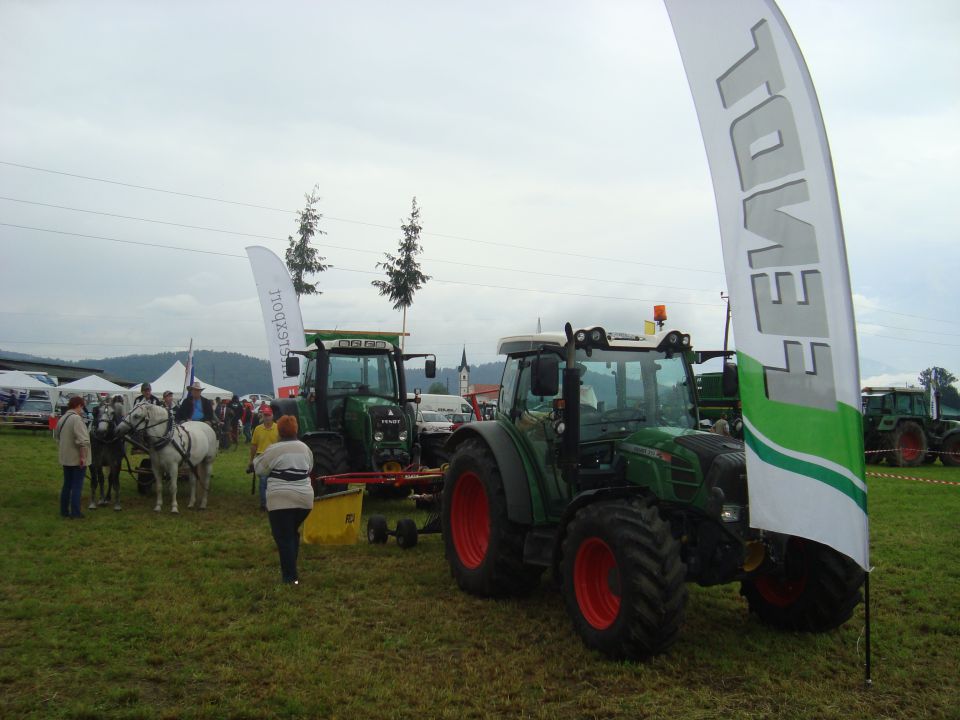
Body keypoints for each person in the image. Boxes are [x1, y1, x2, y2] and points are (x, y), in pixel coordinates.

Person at [253, 415, 314, 585]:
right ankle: (291, 569)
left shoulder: (274, 449)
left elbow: (260, 470)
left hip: (281, 500)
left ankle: (290, 578)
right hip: (305, 501)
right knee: (291, 534)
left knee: (283, 537)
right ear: (296, 430)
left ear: (279, 431)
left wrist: (256, 460)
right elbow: (310, 468)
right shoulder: (305, 448)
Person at [54, 395, 91, 519]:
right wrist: (83, 457)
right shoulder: (76, 419)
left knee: (67, 485)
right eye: (82, 407)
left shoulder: (62, 418)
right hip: (77, 459)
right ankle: (75, 512)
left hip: (65, 458)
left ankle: (64, 511)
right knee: (77, 486)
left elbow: (57, 437)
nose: (82, 410)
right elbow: (83, 441)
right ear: (79, 405)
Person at [249, 406, 279, 511]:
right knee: (263, 481)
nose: (266, 418)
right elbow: (253, 445)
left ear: (272, 416)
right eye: (265, 415)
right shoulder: (257, 429)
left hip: (275, 457)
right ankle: (263, 504)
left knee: (274, 481)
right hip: (261, 457)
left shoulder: (278, 428)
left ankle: (274, 502)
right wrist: (251, 460)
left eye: (268, 415)